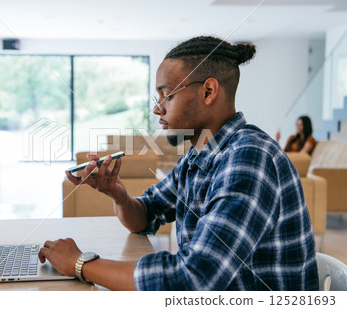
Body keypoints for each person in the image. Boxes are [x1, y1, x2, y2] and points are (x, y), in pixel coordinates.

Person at [38, 36, 319, 291]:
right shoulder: (198, 156)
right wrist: (118, 194)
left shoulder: (249, 159)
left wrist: (80, 264)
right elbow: (145, 216)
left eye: (167, 95)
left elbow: (193, 279)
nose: (157, 109)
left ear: (208, 92)